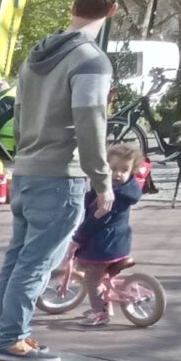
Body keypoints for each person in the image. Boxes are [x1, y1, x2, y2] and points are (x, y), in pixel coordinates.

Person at [0, 0, 117, 361]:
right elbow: (89, 122)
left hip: (26, 169)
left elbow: (22, 112)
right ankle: (11, 338)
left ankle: (9, 332)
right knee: (37, 262)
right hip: (60, 174)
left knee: (18, 258)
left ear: (73, 5)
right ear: (112, 10)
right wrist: (103, 182)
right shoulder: (91, 61)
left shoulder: (36, 55)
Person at [69, 137, 147, 327]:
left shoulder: (114, 197)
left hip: (105, 244)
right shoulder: (124, 190)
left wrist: (78, 238)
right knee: (103, 274)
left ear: (132, 171)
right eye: (113, 169)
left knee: (92, 278)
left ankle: (99, 313)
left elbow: (96, 221)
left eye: (124, 170)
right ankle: (106, 305)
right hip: (118, 243)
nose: (118, 174)